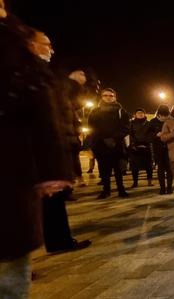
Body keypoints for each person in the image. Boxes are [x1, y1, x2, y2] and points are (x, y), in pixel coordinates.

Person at [0, 6, 73, 296]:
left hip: (9, 167)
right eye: (47, 46)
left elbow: (44, 111)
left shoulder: (13, 47)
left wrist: (53, 169)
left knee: (8, 272)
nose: (51, 51)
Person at [23, 29, 93, 254]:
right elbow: (51, 97)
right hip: (35, 153)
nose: (51, 50)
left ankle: (57, 240)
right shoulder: (26, 69)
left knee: (53, 202)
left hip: (46, 152)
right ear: (32, 45)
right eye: (46, 44)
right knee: (44, 203)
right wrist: (71, 83)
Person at [88, 88, 131, 199]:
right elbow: (92, 128)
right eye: (105, 95)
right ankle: (106, 190)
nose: (108, 97)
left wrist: (114, 138)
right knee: (104, 169)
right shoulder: (95, 111)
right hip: (101, 144)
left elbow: (126, 127)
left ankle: (121, 189)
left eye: (111, 95)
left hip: (117, 144)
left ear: (115, 97)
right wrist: (104, 138)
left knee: (118, 169)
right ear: (102, 97)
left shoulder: (121, 111)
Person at [149, 105, 173, 194]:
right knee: (161, 169)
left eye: (166, 116)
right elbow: (148, 136)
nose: (164, 118)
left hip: (169, 148)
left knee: (169, 169)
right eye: (162, 116)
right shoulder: (152, 122)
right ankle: (162, 188)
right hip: (158, 149)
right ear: (158, 115)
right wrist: (156, 135)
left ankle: (170, 187)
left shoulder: (170, 121)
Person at [128, 108, 154, 188]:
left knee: (148, 166)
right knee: (134, 167)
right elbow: (130, 134)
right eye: (138, 113)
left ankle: (149, 181)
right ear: (135, 115)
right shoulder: (131, 123)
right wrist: (135, 144)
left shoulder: (149, 123)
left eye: (142, 113)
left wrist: (146, 142)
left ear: (144, 114)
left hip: (146, 146)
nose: (140, 114)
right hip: (135, 147)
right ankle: (135, 182)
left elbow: (151, 134)